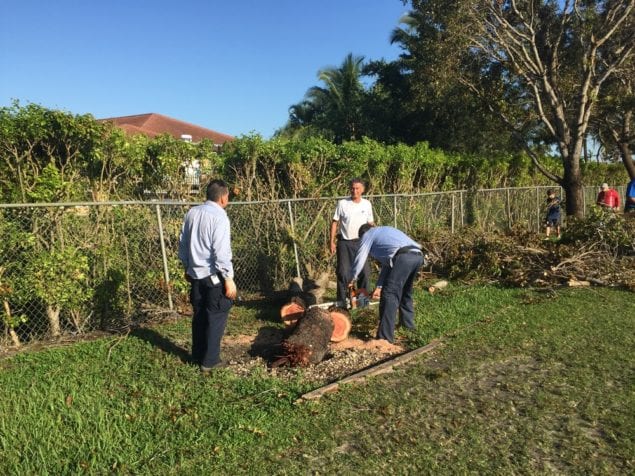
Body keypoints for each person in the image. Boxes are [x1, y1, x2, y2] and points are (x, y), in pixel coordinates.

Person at [178, 179, 237, 374]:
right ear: (223, 197)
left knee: (200, 315)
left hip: (195, 275)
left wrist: (187, 266)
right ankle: (209, 362)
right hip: (213, 276)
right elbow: (221, 251)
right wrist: (228, 279)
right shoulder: (220, 217)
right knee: (216, 316)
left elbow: (183, 243)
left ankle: (197, 355)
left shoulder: (192, 213)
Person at [349, 224, 425, 344]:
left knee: (389, 294)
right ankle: (408, 326)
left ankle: (385, 337)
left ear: (362, 235)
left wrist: (352, 278)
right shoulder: (383, 232)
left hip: (404, 257)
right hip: (417, 256)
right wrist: (379, 286)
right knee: (405, 292)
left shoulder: (368, 235)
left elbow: (360, 257)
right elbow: (388, 265)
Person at [330, 178, 375, 305]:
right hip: (345, 243)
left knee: (365, 273)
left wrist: (375, 240)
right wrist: (331, 242)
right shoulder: (342, 203)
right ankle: (341, 302)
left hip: (362, 243)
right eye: (352, 188)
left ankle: (362, 302)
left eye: (357, 188)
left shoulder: (367, 204)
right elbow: (335, 223)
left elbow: (371, 224)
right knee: (343, 273)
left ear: (362, 190)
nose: (354, 191)